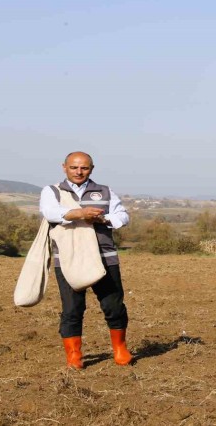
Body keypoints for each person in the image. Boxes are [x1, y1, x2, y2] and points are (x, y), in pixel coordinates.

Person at [39, 151, 132, 369]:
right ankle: (74, 357)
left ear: (91, 168)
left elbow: (123, 216)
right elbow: (50, 213)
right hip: (69, 259)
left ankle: (120, 349)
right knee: (72, 309)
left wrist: (104, 218)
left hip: (105, 257)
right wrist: (80, 214)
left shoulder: (105, 191)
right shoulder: (52, 191)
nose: (79, 172)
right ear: (64, 167)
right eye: (74, 167)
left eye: (84, 168)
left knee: (114, 306)